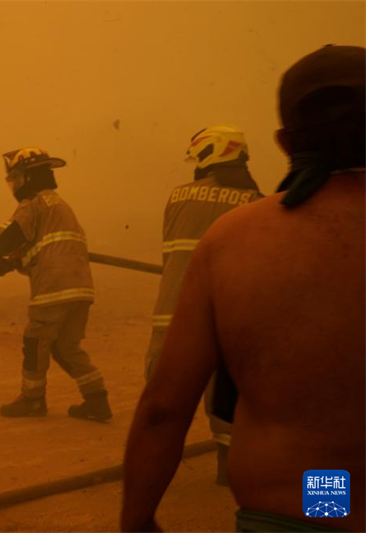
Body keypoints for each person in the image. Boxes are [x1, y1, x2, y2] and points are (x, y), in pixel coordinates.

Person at [121, 44, 365, 532]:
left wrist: (138, 521)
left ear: (285, 141)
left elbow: (163, 410)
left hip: (311, 502)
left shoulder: (238, 239)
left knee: (328, 496)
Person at [144, 125, 263, 485]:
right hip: (227, 319)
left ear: (208, 156)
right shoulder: (256, 202)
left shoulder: (179, 196)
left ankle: (153, 476)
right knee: (229, 399)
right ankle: (227, 472)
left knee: (162, 400)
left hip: (174, 315)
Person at [0, 147, 111, 421]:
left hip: (53, 289)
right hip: (80, 288)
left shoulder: (33, 205)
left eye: (17, 179)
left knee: (35, 342)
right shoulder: (59, 207)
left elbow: (10, 237)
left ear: (29, 178)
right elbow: (43, 250)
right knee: (65, 346)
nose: (15, 186)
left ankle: (32, 400)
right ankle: (97, 399)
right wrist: (12, 264)